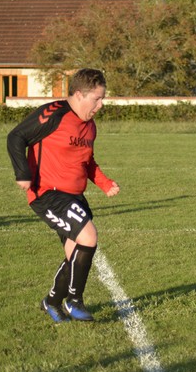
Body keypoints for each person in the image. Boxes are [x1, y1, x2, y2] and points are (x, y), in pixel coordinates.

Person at [7, 68, 120, 323]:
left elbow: (87, 162)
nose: (101, 105)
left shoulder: (90, 126)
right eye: (97, 99)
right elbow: (16, 136)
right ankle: (74, 300)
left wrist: (105, 184)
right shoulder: (54, 113)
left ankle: (52, 302)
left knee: (75, 254)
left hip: (75, 196)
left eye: (102, 99)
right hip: (48, 193)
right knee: (88, 237)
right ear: (79, 94)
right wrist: (22, 173)